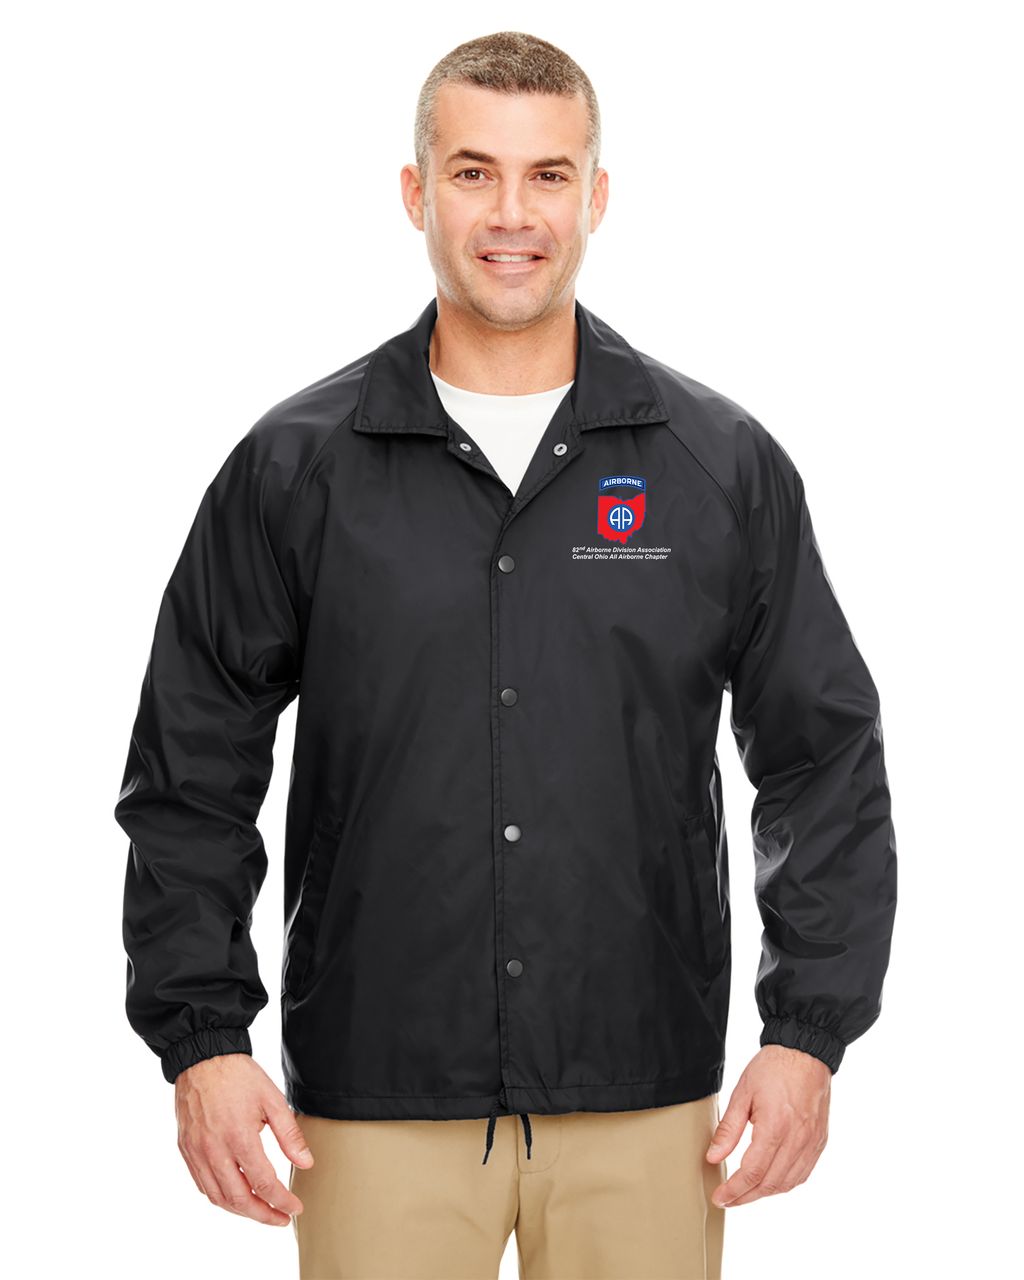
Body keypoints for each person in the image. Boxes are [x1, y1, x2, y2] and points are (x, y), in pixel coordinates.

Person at [115, 29, 897, 1280]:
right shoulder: (295, 467)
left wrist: (808, 1029)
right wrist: (201, 1037)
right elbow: (188, 772)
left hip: (646, 1092)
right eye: (474, 172)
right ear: (416, 191)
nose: (512, 214)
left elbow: (822, 757)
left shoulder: (715, 465)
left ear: (596, 195)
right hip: (376, 1093)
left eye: (547, 175)